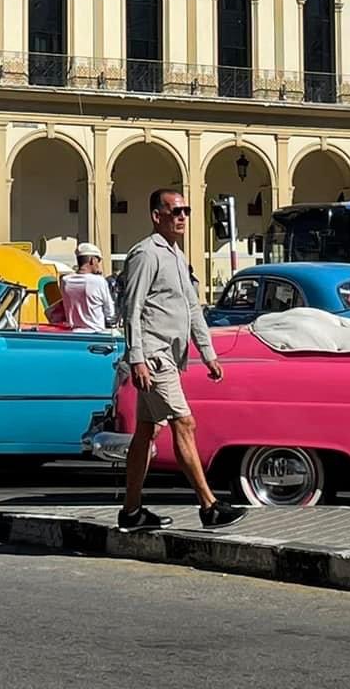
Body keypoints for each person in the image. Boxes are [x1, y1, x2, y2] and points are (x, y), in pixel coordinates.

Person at [117, 188, 243, 532]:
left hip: (170, 356)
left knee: (146, 431)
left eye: (186, 210)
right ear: (157, 215)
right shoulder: (146, 254)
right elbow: (133, 308)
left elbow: (191, 308)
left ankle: (130, 512)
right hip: (154, 356)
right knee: (184, 423)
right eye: (175, 211)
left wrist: (208, 353)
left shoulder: (175, 254)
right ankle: (209, 506)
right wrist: (138, 358)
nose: (183, 217)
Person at [51, 243, 116, 333]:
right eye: (98, 260)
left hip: (74, 333)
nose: (99, 265)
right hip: (96, 334)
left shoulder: (65, 281)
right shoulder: (98, 281)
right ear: (92, 260)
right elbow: (110, 312)